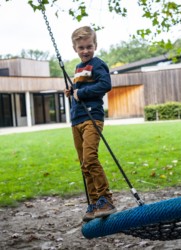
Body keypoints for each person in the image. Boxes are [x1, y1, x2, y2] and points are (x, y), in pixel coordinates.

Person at [64, 26, 116, 222]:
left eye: (89, 46)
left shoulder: (98, 64)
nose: (85, 51)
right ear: (75, 49)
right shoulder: (78, 68)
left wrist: (81, 93)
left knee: (91, 158)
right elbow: (81, 89)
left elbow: (105, 85)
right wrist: (72, 91)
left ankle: (106, 199)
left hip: (92, 117)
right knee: (84, 165)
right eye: (81, 47)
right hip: (76, 119)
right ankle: (94, 203)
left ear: (95, 45)